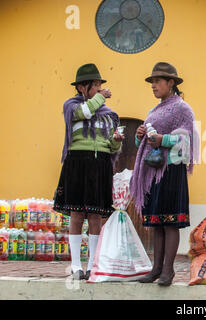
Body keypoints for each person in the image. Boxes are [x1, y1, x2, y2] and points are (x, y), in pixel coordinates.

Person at [53, 63, 124, 280]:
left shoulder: (110, 114)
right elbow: (85, 111)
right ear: (83, 88)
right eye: (96, 85)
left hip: (100, 164)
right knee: (76, 213)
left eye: (101, 85)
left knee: (95, 215)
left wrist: (116, 141)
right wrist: (100, 97)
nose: (100, 89)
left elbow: (112, 148)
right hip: (77, 163)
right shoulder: (71, 106)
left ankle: (93, 265)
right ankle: (76, 266)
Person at [130, 62, 198, 286]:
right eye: (152, 82)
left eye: (158, 81)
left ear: (171, 83)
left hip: (171, 170)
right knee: (156, 222)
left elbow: (187, 142)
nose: (153, 85)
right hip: (154, 171)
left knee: (170, 222)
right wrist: (140, 135)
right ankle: (155, 269)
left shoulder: (182, 109)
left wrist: (163, 139)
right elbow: (145, 142)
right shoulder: (153, 111)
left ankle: (168, 271)